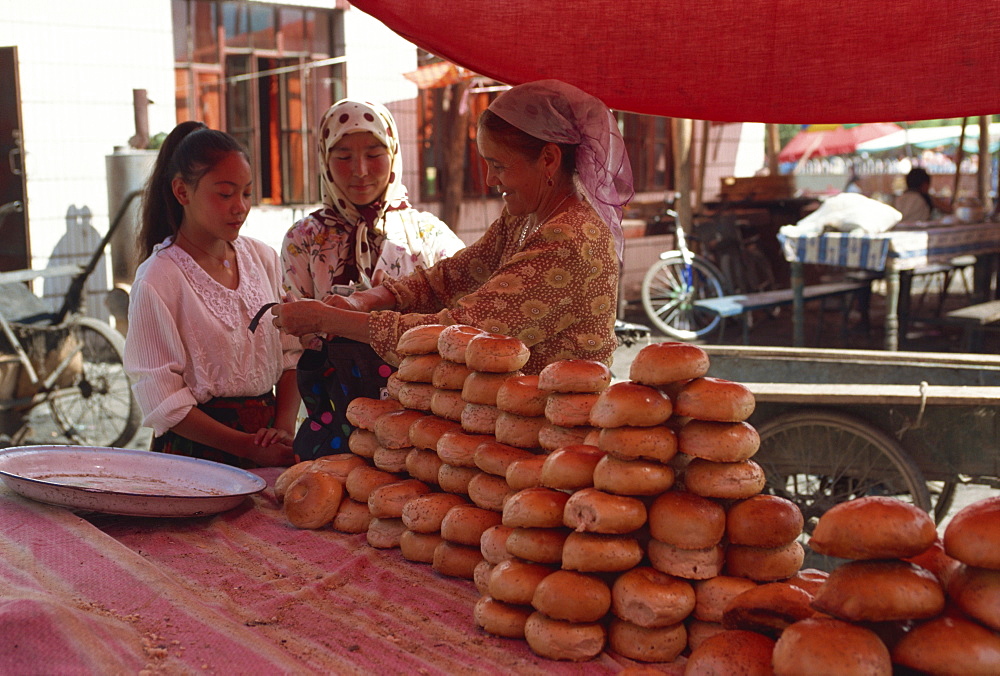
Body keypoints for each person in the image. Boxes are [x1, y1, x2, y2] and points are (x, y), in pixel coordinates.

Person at [271, 79, 634, 375]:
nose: (491, 179)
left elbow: (461, 332)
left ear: (549, 159)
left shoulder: (570, 238)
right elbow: (452, 275)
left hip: (556, 429)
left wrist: (328, 318)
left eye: (499, 165)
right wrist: (365, 299)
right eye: (344, 156)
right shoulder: (525, 215)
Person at [124, 121, 301, 469]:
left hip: (267, 448)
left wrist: (281, 429)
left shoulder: (263, 259)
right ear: (182, 192)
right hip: (196, 458)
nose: (240, 206)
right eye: (225, 194)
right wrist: (246, 447)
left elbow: (291, 354)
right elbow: (163, 400)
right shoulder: (159, 279)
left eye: (246, 193)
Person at [281, 98, 465, 318]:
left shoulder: (428, 235)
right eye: (344, 157)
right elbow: (293, 335)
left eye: (373, 155)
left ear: (393, 154)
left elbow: (464, 310)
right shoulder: (303, 239)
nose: (360, 170)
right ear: (325, 161)